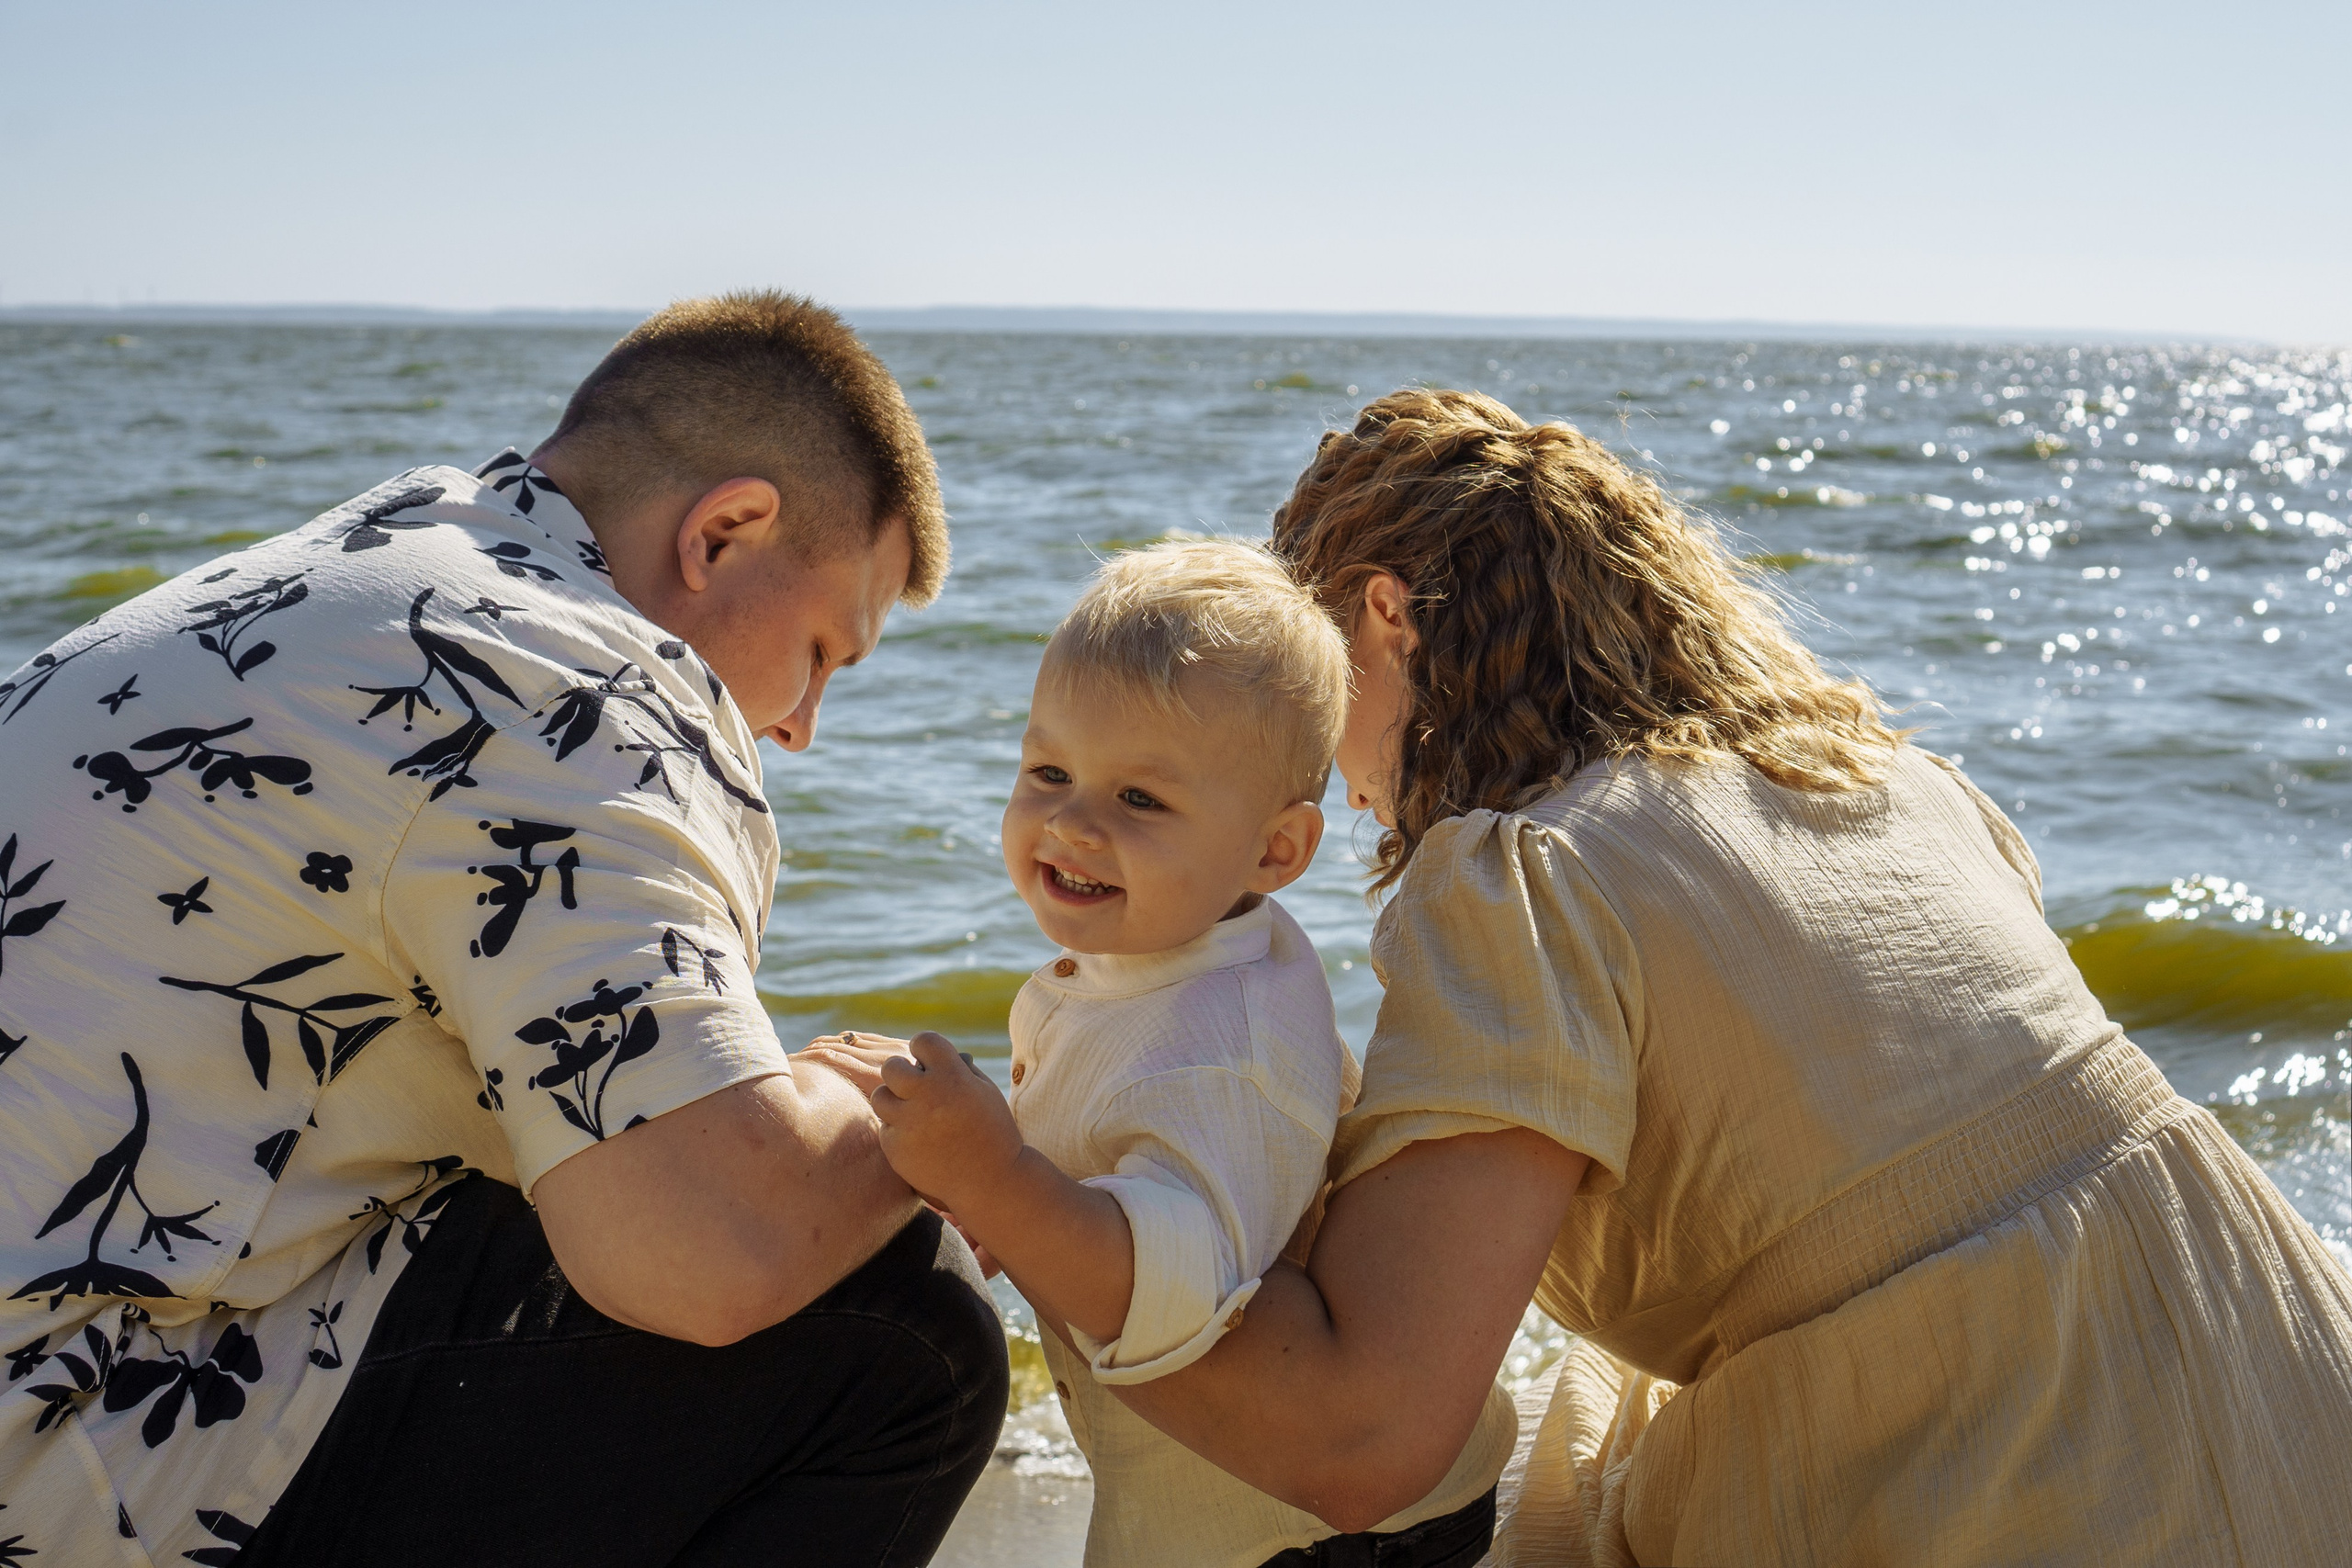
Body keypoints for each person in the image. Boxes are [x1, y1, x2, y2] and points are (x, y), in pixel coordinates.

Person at [995, 389, 2352, 1564]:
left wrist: (1028, 1200)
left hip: (1998, 1468)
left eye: (1302, 670)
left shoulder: (1526, 877)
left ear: (1385, 619)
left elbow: (1364, 1437)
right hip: (2282, 1366)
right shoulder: (1882, 778)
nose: (1301, 742)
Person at [0, 292, 1007, 1567]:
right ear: (724, 533)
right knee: (904, 1326)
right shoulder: (569, 677)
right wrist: (921, 1137)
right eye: (822, 650)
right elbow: (710, 1249)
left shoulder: (361, 572)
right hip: (48, 1455)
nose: (803, 724)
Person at [813, 540, 1505, 1568]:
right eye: (1049, 772)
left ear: (1276, 851)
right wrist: (1007, 1176)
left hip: (1308, 1539)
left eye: (1140, 799)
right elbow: (1118, 1150)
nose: (1072, 822)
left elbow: (1173, 1291)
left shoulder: (1223, 1052)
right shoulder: (1168, 952)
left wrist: (996, 1178)